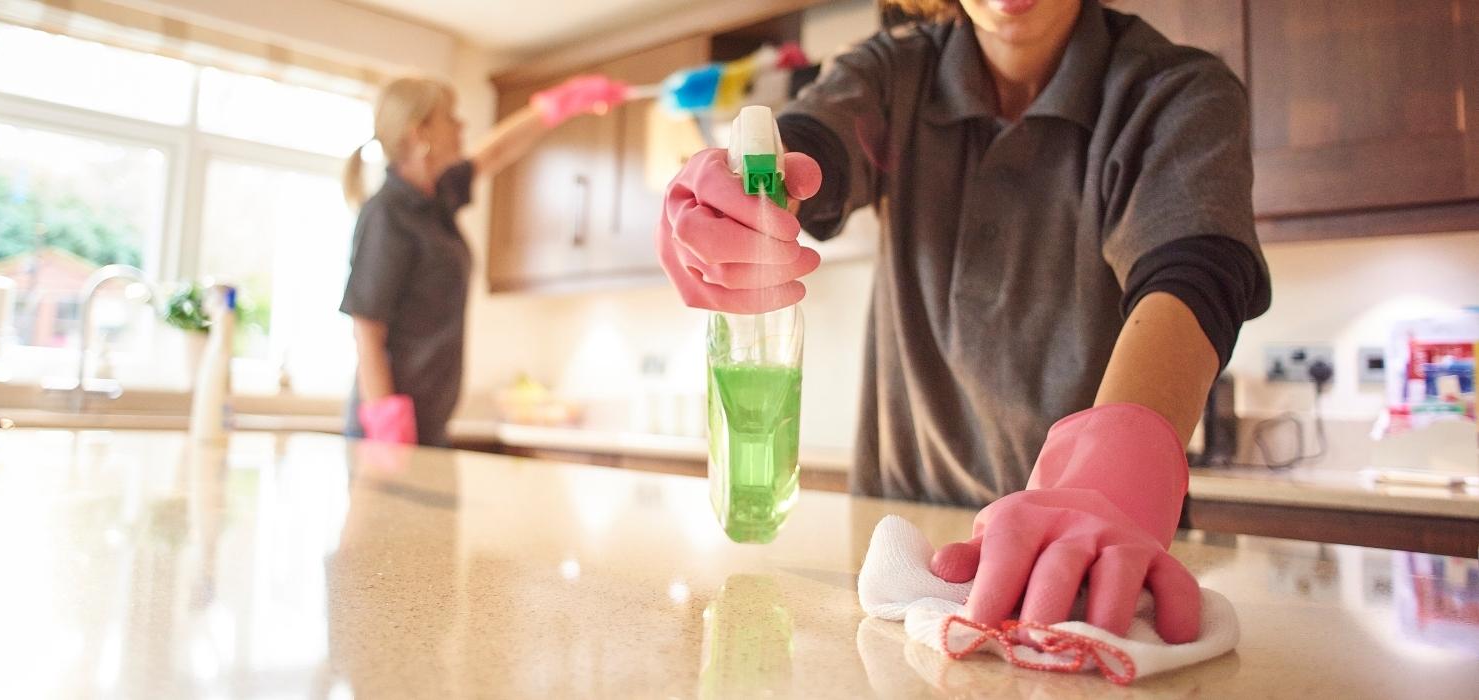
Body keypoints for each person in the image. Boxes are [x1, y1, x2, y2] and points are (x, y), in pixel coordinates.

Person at [654, 0, 1271, 644]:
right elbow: (812, 143)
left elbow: (1196, 275)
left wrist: (1107, 477)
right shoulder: (895, 71)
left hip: (1098, 541)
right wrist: (740, 188)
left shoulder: (1174, 92)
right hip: (909, 540)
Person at [342, 75, 627, 446]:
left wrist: (555, 107)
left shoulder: (436, 200)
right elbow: (367, 332)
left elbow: (494, 152)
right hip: (387, 433)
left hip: (428, 425)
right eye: (450, 117)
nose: (462, 125)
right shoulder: (387, 214)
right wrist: (387, 426)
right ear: (419, 132)